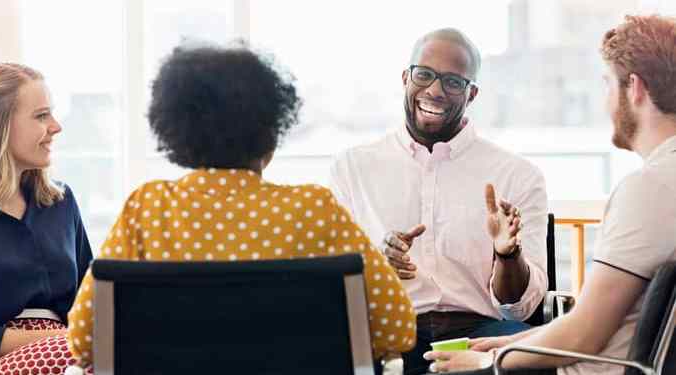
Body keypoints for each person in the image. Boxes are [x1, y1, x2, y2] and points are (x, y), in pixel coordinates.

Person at [66, 43, 416, 371]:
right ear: (270, 133)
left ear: (178, 133)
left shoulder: (147, 208)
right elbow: (397, 327)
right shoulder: (315, 209)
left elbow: (83, 339)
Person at [424, 14, 676, 375]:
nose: (606, 104)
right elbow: (597, 323)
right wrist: (510, 343)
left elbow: (582, 336)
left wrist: (491, 360)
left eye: (607, 85)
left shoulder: (649, 189)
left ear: (634, 88)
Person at [329, 28, 549, 374]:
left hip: (480, 333)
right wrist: (378, 261)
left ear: (471, 93)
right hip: (388, 331)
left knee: (527, 360)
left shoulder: (518, 175)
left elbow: (519, 310)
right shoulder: (352, 167)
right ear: (406, 78)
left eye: (452, 81)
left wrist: (508, 254)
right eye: (425, 75)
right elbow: (337, 282)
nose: (435, 90)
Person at [0, 62, 93, 374]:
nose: (56, 126)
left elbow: (90, 302)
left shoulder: (62, 201)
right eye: (41, 115)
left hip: (70, 357)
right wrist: (60, 339)